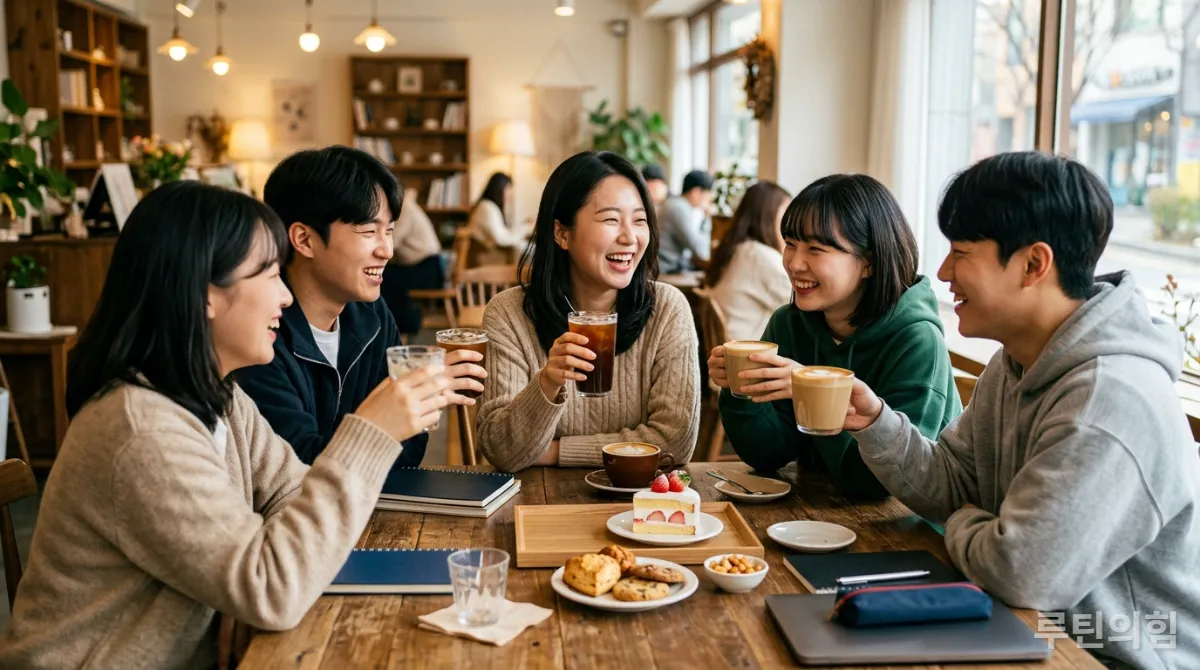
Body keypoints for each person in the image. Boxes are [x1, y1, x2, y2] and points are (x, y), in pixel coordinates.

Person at [0, 182, 450, 668]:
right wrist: (368, 434)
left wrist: (248, 582)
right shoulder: (141, 430)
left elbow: (292, 494)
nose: (285, 296)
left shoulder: (220, 397)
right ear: (206, 294)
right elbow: (273, 590)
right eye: (270, 275)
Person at [842, 152, 1200, 668]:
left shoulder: (1108, 400)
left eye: (961, 252)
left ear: (1034, 264)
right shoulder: (1015, 361)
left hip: (1109, 656)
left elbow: (1020, 572)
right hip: (1027, 630)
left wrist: (963, 521)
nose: (943, 272)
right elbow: (954, 482)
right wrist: (876, 422)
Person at [709, 174, 960, 499]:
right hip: (818, 506)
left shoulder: (917, 341)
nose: (794, 263)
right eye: (790, 243)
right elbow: (766, 454)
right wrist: (740, 390)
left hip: (905, 521)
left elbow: (879, 486)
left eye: (815, 249)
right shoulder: (790, 324)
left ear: (868, 262)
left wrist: (815, 393)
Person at [235, 146, 485, 470]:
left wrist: (413, 403)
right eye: (369, 232)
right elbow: (296, 468)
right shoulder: (259, 336)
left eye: (389, 231)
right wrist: (384, 421)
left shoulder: (373, 316)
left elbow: (407, 453)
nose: (387, 250)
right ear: (305, 239)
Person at [476, 151, 700, 471]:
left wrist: (554, 452)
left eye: (639, 220)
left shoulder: (668, 310)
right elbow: (501, 451)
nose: (630, 237)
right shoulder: (509, 314)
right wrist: (547, 382)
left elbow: (674, 443)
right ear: (562, 233)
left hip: (640, 498)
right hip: (537, 499)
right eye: (611, 220)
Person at [704, 180, 792, 342]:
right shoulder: (760, 256)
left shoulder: (734, 249)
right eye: (786, 215)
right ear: (769, 216)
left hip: (732, 344)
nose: (790, 225)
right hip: (750, 349)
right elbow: (799, 304)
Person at [381, 187, 445, 335]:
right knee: (387, 276)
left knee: (384, 278)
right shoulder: (406, 206)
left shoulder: (405, 209)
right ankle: (399, 325)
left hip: (427, 270)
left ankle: (404, 325)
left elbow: (392, 242)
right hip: (425, 267)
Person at [657, 169, 714, 273]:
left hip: (668, 266)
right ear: (696, 192)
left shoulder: (675, 204)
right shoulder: (678, 209)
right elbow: (701, 252)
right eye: (708, 194)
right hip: (666, 270)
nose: (709, 199)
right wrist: (707, 218)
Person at [467, 171, 529, 265]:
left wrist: (524, 226)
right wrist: (527, 228)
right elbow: (503, 239)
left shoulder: (487, 206)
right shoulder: (487, 207)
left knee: (526, 248)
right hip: (486, 259)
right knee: (528, 250)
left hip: (488, 256)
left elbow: (504, 235)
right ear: (499, 187)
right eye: (508, 188)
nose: (511, 193)